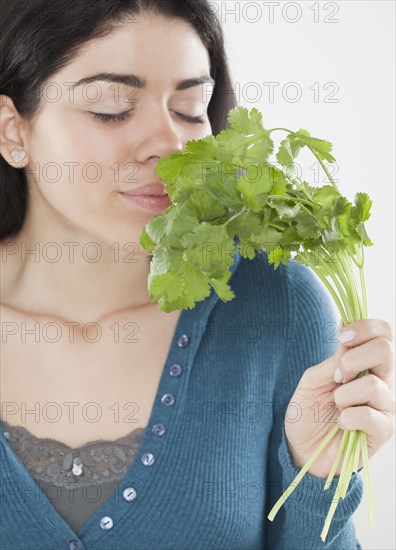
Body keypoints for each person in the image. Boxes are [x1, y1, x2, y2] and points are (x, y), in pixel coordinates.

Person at [0, 1, 394, 549]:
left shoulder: (276, 303)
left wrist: (320, 475)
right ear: (12, 129)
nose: (171, 145)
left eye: (189, 109)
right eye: (113, 109)